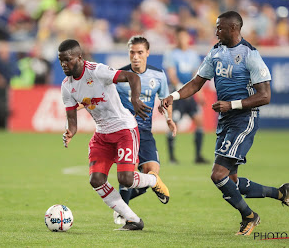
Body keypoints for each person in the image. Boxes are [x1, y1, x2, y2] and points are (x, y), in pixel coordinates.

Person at [159, 11, 289, 236]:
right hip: (226, 120)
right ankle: (281, 193)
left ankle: (249, 216)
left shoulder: (250, 55)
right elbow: (197, 82)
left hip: (243, 119)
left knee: (217, 174)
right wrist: (174, 96)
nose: (216, 31)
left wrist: (233, 105)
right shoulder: (216, 52)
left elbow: (265, 95)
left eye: (220, 27)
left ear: (234, 29)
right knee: (231, 181)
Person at [59, 39, 170, 231]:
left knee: (126, 179)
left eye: (67, 60)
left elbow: (132, 77)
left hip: (124, 129)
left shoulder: (96, 71)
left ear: (79, 57)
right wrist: (70, 132)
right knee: (96, 180)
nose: (63, 65)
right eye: (60, 60)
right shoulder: (67, 86)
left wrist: (135, 99)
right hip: (102, 135)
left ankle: (152, 180)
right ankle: (133, 219)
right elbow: (72, 120)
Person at [114, 36, 177, 224]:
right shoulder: (119, 75)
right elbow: (102, 97)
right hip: (125, 131)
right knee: (128, 175)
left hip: (145, 132)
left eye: (140, 52)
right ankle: (123, 215)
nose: (135, 57)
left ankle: (119, 205)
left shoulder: (158, 75)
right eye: (132, 52)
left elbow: (165, 99)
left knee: (151, 176)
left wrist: (169, 119)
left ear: (147, 53)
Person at [162, 26, 208, 164]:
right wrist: (180, 91)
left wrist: (199, 94)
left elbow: (196, 77)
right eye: (180, 37)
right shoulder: (171, 54)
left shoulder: (192, 55)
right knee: (173, 122)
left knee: (199, 121)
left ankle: (198, 156)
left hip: (189, 94)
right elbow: (172, 75)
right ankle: (171, 157)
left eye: (184, 37)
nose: (182, 39)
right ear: (176, 38)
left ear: (188, 38)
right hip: (177, 94)